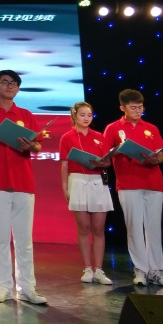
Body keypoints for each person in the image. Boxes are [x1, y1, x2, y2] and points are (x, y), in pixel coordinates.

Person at [0, 70, 47, 305]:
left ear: (18, 88)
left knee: (24, 240)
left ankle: (27, 288)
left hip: (24, 184)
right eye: (4, 82)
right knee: (0, 238)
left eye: (13, 83)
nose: (9, 86)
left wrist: (30, 145)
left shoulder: (26, 115)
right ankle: (2, 287)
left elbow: (38, 147)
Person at [104, 89, 163, 288]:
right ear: (122, 108)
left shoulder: (151, 128)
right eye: (133, 107)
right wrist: (119, 150)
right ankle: (141, 270)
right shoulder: (113, 128)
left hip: (153, 182)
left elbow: (161, 156)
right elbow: (105, 154)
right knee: (134, 227)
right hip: (128, 183)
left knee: (154, 228)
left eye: (140, 107)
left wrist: (154, 158)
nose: (138, 111)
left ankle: (157, 271)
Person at [58, 102, 114, 285]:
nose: (86, 118)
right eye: (82, 115)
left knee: (99, 228)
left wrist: (101, 163)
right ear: (74, 115)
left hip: (97, 181)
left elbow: (107, 162)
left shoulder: (99, 136)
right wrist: (65, 187)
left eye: (89, 115)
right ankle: (88, 268)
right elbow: (64, 164)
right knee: (83, 227)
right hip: (77, 181)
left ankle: (99, 269)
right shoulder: (67, 137)